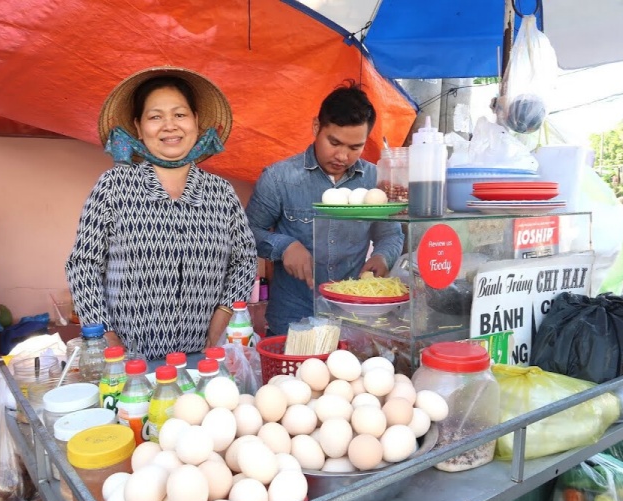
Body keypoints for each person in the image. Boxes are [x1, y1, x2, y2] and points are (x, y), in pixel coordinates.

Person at [66, 66, 257, 362]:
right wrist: (107, 336)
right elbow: (83, 265)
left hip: (204, 358)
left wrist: (222, 318)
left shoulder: (221, 193)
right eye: (156, 117)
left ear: (196, 121)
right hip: (130, 363)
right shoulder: (114, 187)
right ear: (139, 128)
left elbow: (244, 259)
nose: (170, 126)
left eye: (179, 115)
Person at [245, 81, 404, 336]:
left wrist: (382, 257)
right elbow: (248, 232)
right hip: (293, 314)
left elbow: (391, 234)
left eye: (355, 147)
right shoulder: (279, 178)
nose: (342, 156)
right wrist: (285, 246)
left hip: (354, 313)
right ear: (316, 127)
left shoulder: (375, 179)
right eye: (334, 142)